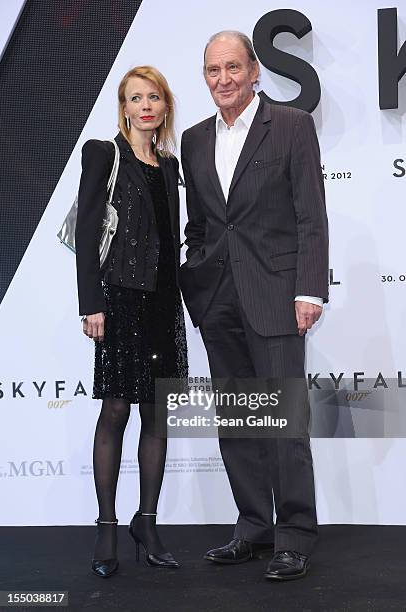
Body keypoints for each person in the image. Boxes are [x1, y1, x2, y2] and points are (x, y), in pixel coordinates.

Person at [180, 31, 328, 581]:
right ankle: (252, 528)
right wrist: (195, 283)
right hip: (217, 301)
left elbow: (311, 215)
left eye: (233, 68)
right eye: (214, 70)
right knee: (239, 422)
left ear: (255, 69)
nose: (224, 79)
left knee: (285, 423)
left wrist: (308, 290)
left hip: (275, 297)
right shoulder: (195, 140)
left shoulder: (290, 126)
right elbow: (200, 224)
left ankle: (294, 535)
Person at [75, 65, 188, 578]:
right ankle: (106, 527)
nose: (146, 106)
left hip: (164, 302)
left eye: (154, 97)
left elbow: (172, 234)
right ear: (124, 105)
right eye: (136, 97)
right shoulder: (104, 152)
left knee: (158, 416)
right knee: (116, 411)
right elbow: (86, 231)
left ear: (164, 106)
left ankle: (148, 521)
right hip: (119, 299)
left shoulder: (169, 164)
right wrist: (89, 302)